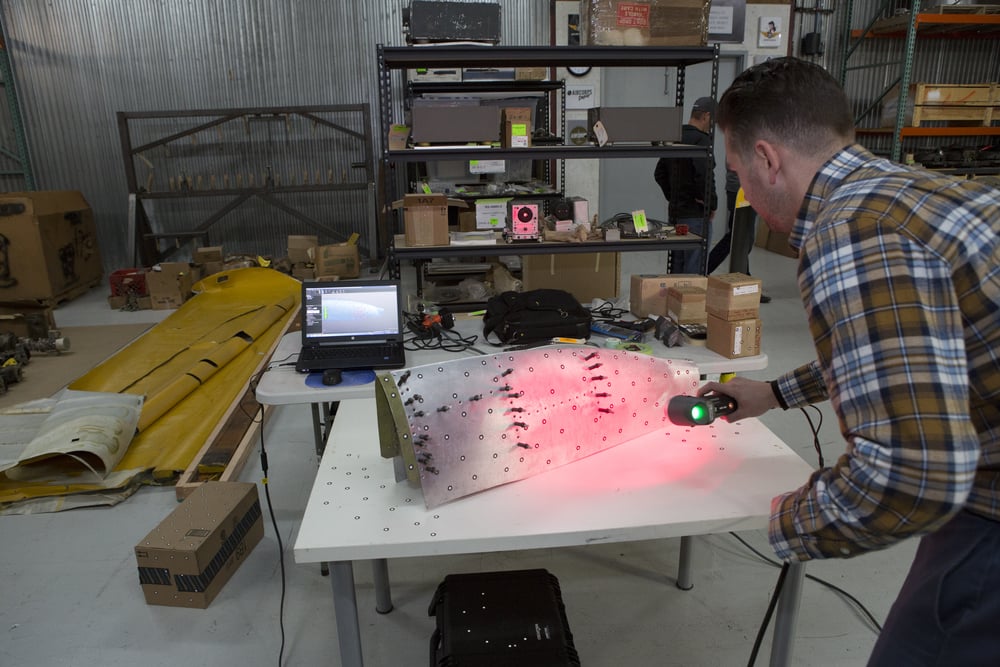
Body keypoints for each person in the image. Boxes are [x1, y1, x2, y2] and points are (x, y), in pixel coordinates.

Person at [700, 57, 1000, 665]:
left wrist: (791, 519)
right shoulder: (919, 193)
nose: (748, 200)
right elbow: (921, 355)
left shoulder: (853, 233)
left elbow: (914, 477)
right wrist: (777, 394)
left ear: (766, 158)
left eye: (738, 177)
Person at [654, 96, 717, 274]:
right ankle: (689, 302)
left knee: (676, 263)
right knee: (694, 268)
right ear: (705, 116)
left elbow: (659, 173)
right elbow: (704, 175)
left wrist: (673, 196)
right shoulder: (702, 140)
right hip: (695, 215)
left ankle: (675, 301)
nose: (712, 126)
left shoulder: (674, 136)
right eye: (713, 120)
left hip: (675, 214)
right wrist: (710, 203)